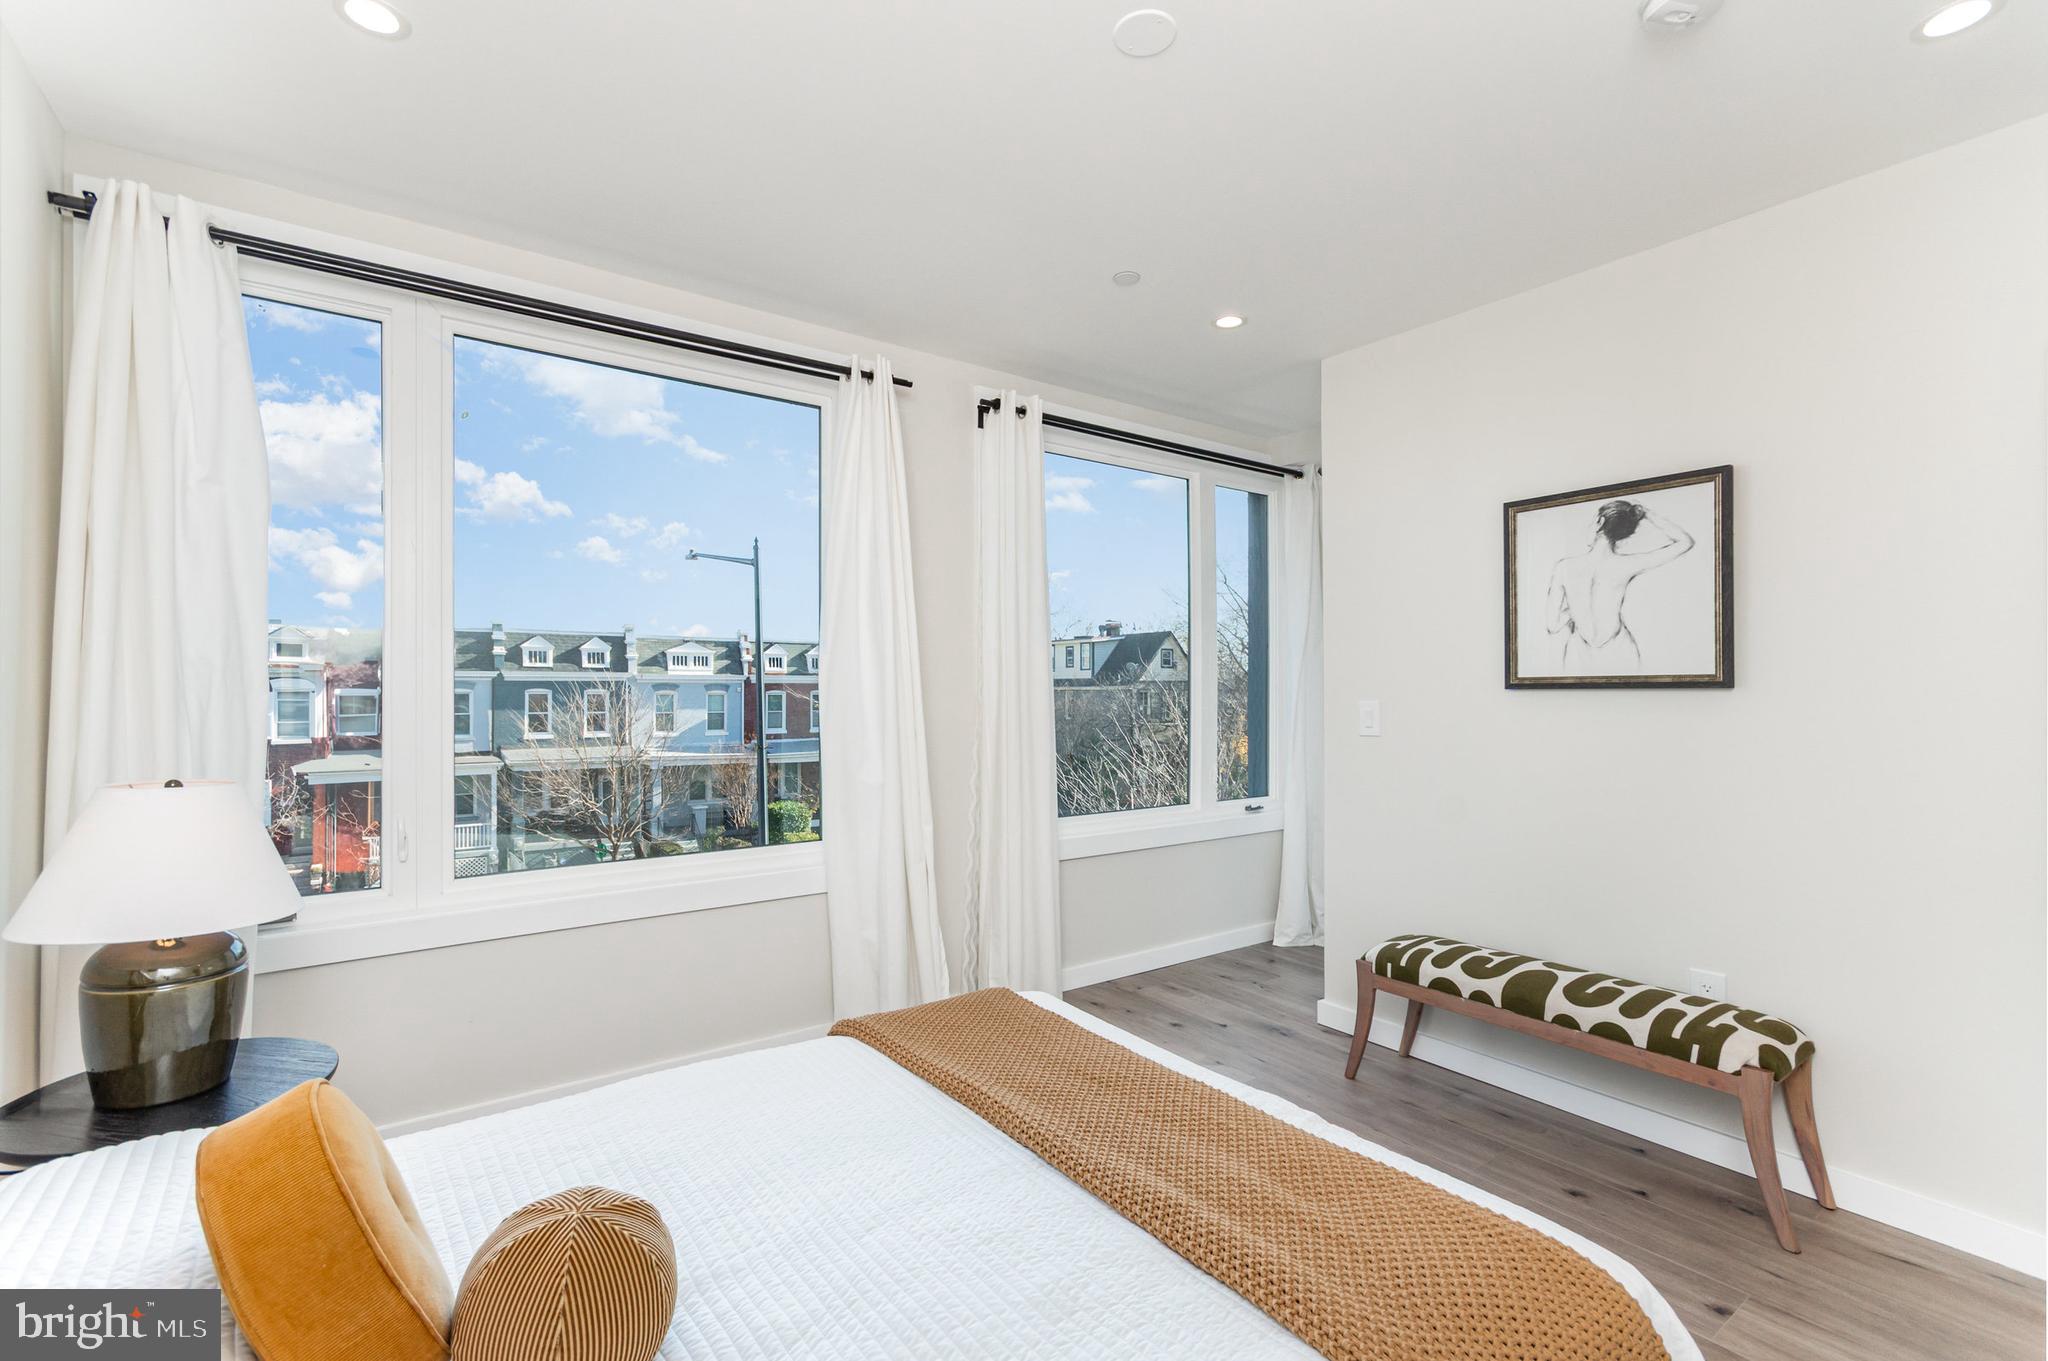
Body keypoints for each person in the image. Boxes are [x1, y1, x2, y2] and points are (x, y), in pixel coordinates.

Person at [1544, 499, 1694, 674]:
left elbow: (1552, 625)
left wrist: (1576, 608)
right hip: (1619, 649)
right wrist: (1645, 513)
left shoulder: (1564, 568)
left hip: (1579, 653)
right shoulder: (1627, 565)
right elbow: (1685, 542)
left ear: (1599, 522)